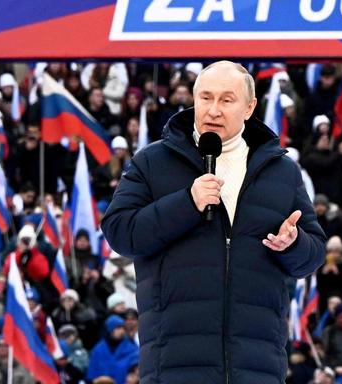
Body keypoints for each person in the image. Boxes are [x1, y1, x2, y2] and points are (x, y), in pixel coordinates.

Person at [102, 60, 326, 383]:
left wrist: (293, 244)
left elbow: (314, 253)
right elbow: (120, 232)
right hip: (174, 368)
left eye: (226, 100)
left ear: (249, 107)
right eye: (205, 98)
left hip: (256, 368)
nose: (213, 110)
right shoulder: (152, 162)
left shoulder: (281, 171)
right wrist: (186, 203)